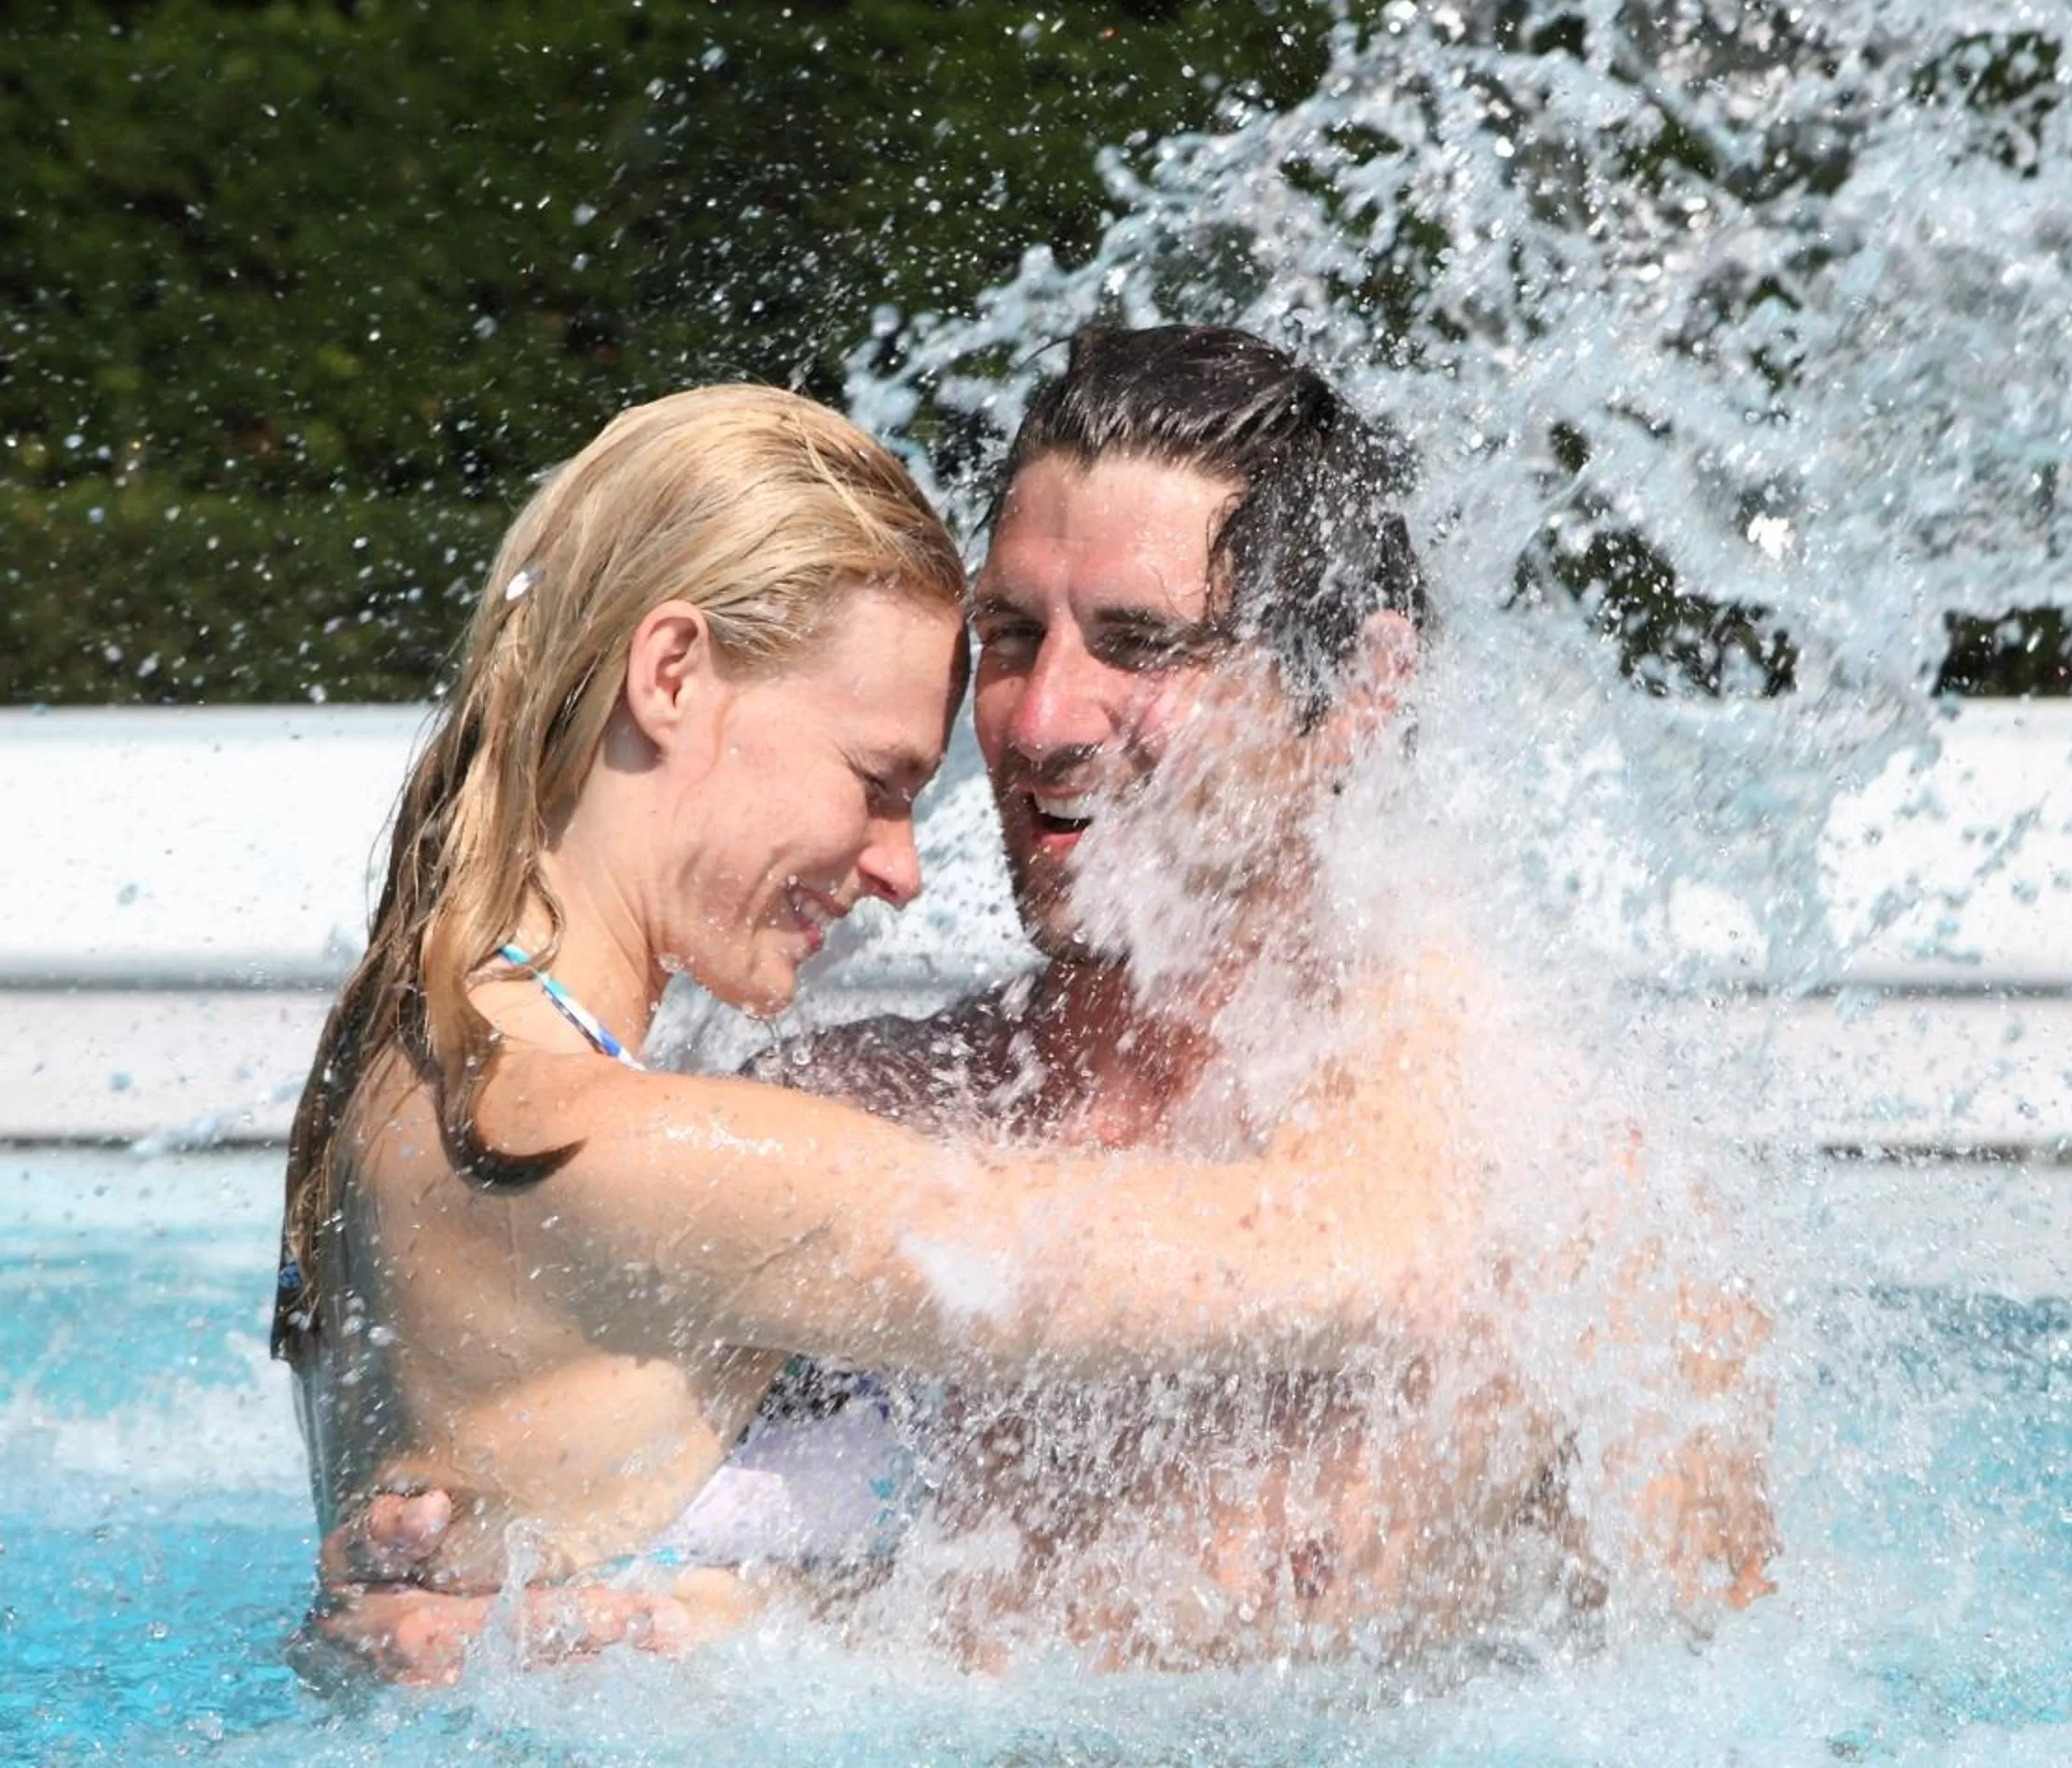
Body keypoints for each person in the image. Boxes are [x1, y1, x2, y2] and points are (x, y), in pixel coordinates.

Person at [316, 330, 1775, 1678]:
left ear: (1360, 691)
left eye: (1142, 643)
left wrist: (716, 1626)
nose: (1040, 720)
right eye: (1011, 635)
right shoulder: (824, 1113)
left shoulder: (1568, 1199)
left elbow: (1736, 1696)